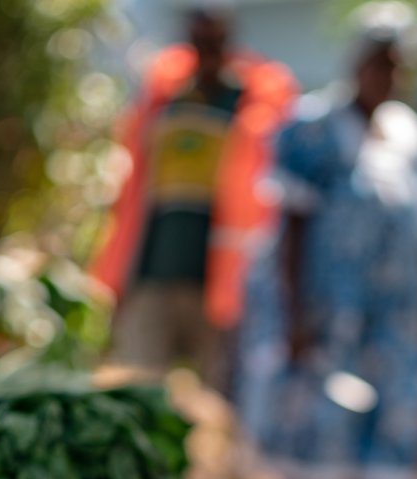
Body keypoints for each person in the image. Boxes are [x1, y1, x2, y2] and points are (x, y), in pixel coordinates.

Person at [235, 4, 417, 479]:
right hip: (326, 326)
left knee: (366, 464)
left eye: (399, 64)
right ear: (357, 61)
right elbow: (291, 225)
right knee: (309, 460)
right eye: (380, 60)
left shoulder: (410, 136)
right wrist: (295, 318)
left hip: (390, 330)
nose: (389, 73)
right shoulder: (313, 128)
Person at [90, 3, 296, 381]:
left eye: (214, 41)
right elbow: (134, 193)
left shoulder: (251, 109)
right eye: (198, 41)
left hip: (219, 287)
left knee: (212, 403)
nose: (206, 52)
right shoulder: (164, 101)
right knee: (139, 387)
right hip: (153, 274)